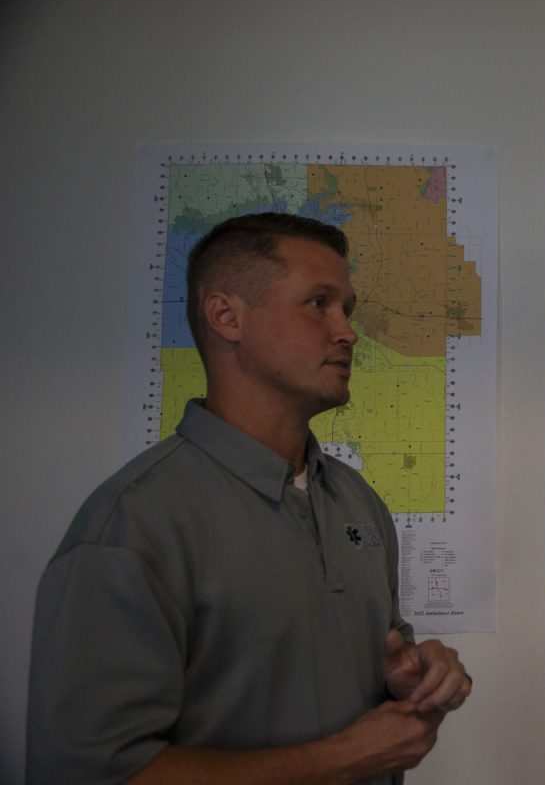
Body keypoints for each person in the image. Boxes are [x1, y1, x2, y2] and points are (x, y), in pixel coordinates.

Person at [27, 213, 471, 784]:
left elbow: (383, 652)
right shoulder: (133, 525)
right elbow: (89, 773)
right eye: (318, 304)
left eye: (347, 310)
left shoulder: (357, 502)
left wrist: (414, 676)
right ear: (226, 317)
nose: (347, 332)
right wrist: (346, 757)